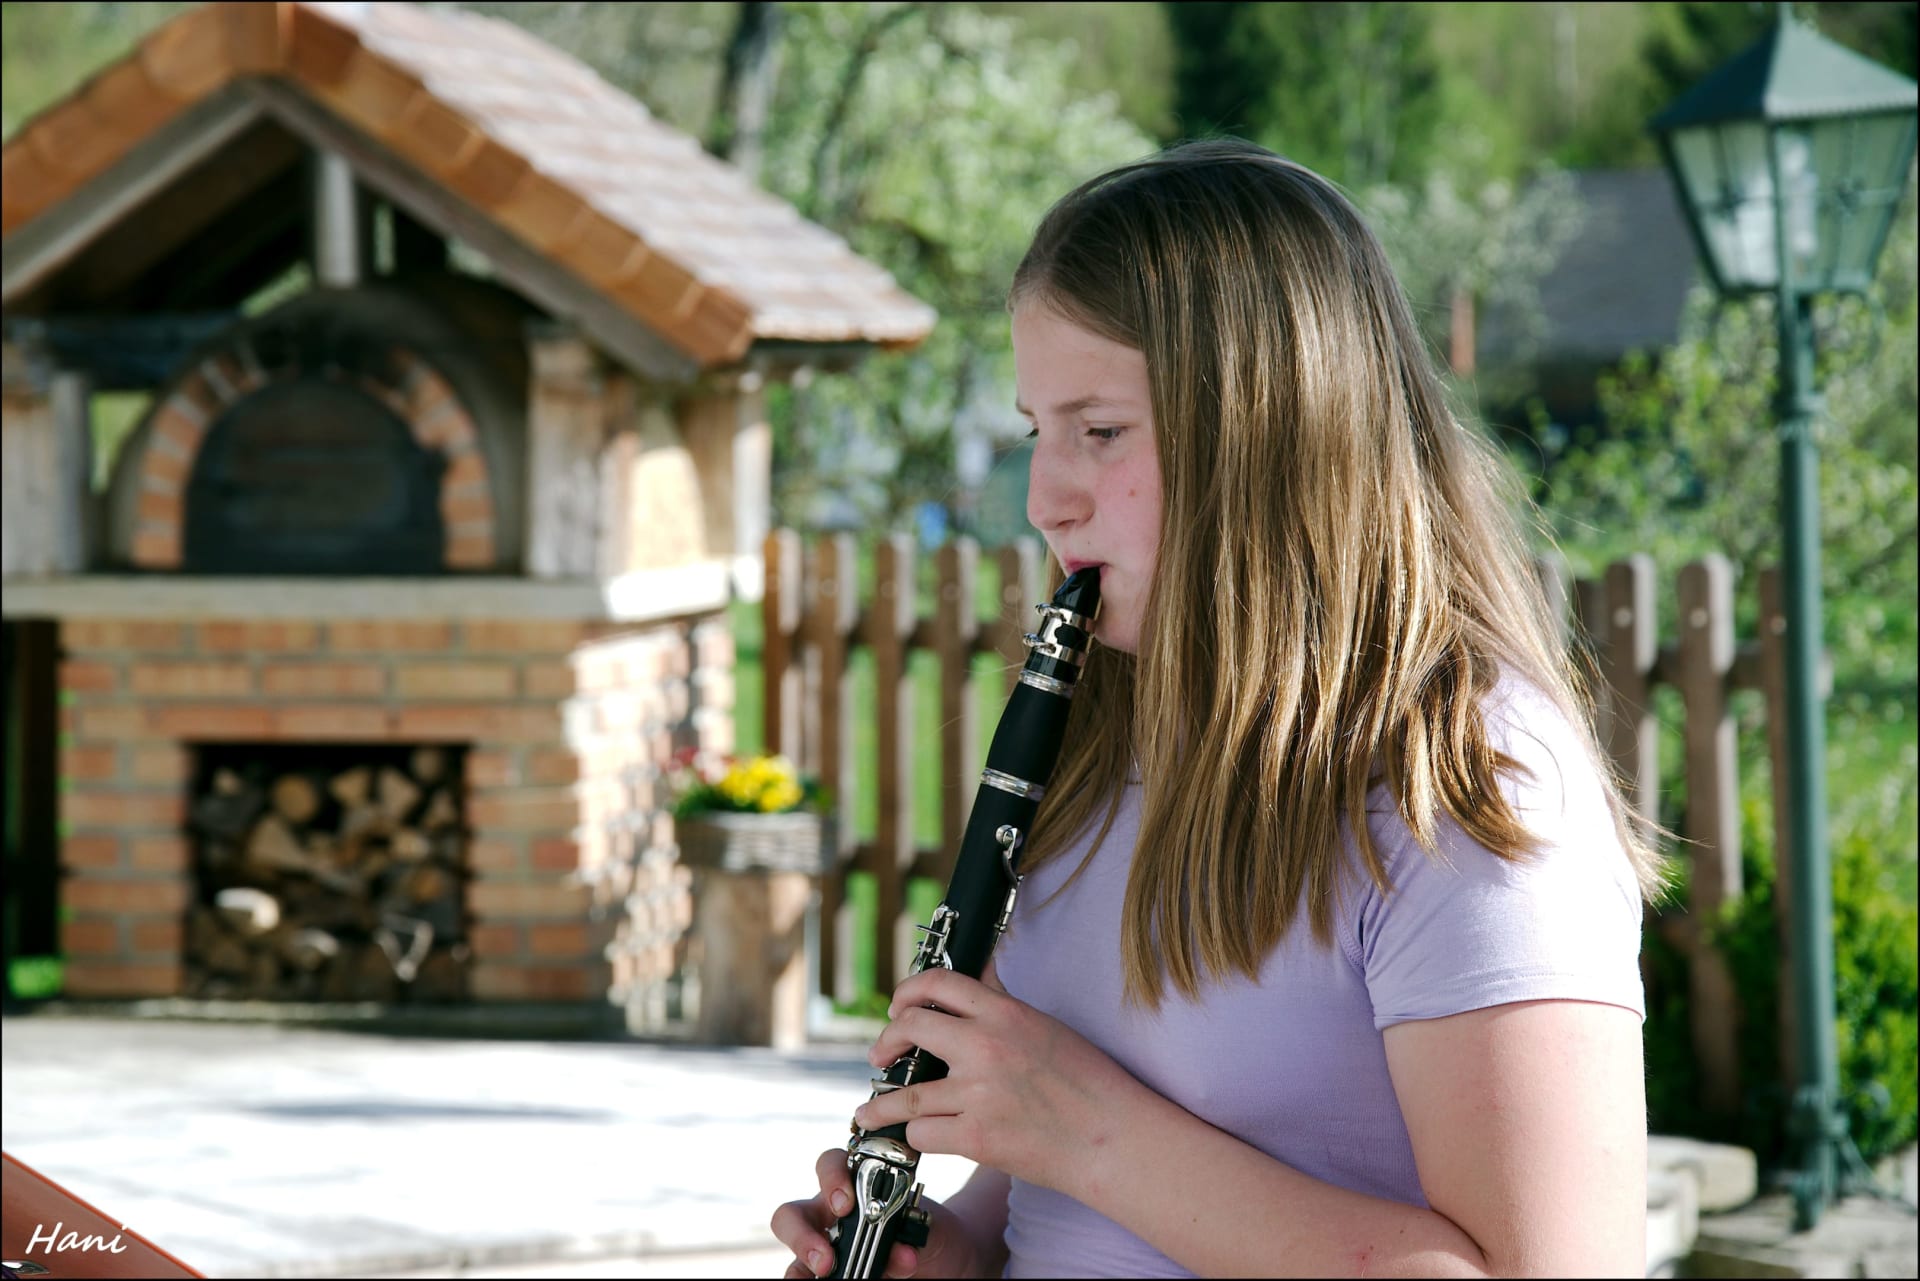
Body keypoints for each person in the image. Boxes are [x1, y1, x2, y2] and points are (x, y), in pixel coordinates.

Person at [771, 138, 1664, 1279]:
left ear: (1270, 434)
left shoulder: (1468, 782)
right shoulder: (1108, 746)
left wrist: (1084, 1130)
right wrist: (953, 1252)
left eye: (1100, 432)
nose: (1045, 499)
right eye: (1037, 430)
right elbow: (1068, 1199)